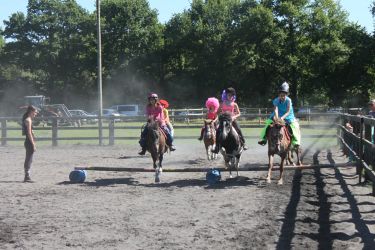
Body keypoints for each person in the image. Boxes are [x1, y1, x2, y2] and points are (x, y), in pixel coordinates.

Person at [258, 82, 301, 147]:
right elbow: (276, 109)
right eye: (281, 95)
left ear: (286, 95)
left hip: (288, 116)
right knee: (268, 124)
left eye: (284, 95)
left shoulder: (288, 100)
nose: (282, 97)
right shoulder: (276, 100)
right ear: (279, 95)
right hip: (277, 115)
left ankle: (296, 142)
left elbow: (288, 111)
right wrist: (277, 118)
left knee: (295, 126)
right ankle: (264, 139)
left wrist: (282, 118)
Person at [212, 87, 248, 153]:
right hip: (223, 120)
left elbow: (239, 113)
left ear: (233, 96)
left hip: (232, 120)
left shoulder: (234, 104)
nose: (230, 97)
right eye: (229, 95)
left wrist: (234, 117)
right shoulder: (222, 104)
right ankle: (217, 147)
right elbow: (217, 112)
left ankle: (243, 143)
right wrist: (221, 115)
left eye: (232, 95)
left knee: (238, 129)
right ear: (226, 95)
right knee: (218, 130)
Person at [22, 105, 38, 182]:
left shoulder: (28, 119)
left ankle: (27, 175)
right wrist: (33, 144)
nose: (36, 113)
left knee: (29, 159)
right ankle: (27, 176)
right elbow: (29, 133)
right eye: (35, 112)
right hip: (29, 142)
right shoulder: (28, 120)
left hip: (28, 141)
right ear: (31, 112)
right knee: (29, 159)